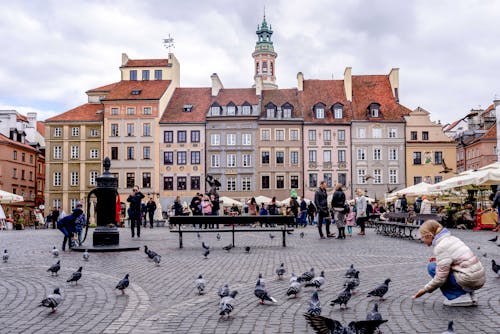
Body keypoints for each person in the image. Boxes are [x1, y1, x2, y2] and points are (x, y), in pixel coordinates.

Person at [412, 220, 485, 306]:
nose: (422, 240)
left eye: (422, 237)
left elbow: (440, 278)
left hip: (468, 280)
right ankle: (469, 294)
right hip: (477, 278)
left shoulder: (440, 247)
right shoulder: (452, 238)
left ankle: (458, 297)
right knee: (438, 265)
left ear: (429, 236)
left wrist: (424, 290)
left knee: (432, 267)